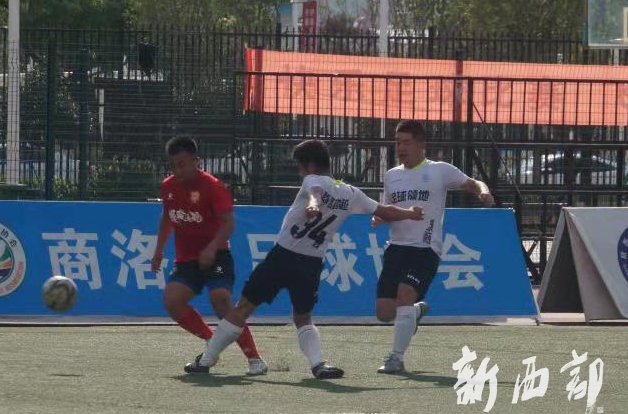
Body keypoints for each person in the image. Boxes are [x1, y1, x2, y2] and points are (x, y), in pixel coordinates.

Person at [184, 139, 424, 379]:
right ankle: (318, 364)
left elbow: (315, 194)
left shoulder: (312, 180)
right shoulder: (351, 193)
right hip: (311, 263)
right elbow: (385, 211)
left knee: (244, 308)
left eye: (300, 167)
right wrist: (410, 213)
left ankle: (205, 361)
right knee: (303, 316)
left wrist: (313, 205)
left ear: (309, 166)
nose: (301, 173)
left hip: (283, 257)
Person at [371, 120, 494, 375]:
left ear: (421, 145)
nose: (400, 148)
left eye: (406, 143)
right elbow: (388, 208)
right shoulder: (392, 175)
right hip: (395, 249)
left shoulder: (439, 171)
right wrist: (380, 217)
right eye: (397, 143)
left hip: (425, 249)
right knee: (384, 312)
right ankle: (415, 313)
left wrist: (483, 192)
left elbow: (474, 183)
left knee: (405, 294)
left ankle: (396, 358)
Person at [151, 136, 268, 376]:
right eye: (173, 165)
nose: (177, 170)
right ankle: (211, 342)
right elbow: (167, 218)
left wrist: (212, 248)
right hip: (187, 260)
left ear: (196, 161)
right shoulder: (168, 186)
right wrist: (158, 250)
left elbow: (228, 223)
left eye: (182, 164)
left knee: (220, 300)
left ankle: (255, 359)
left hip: (217, 256)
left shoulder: (213, 186)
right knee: (172, 301)